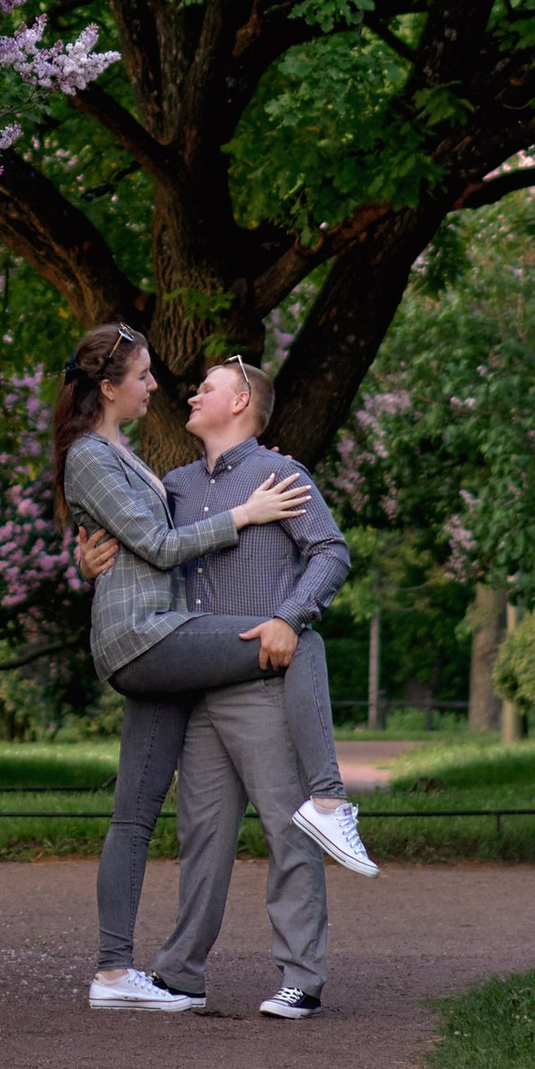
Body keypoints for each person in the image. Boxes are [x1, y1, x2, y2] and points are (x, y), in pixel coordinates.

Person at [56, 324, 372, 1015]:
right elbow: (144, 546)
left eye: (208, 387)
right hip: (191, 670)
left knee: (290, 831)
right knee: (200, 838)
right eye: (173, 383)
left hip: (259, 670)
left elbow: (331, 552)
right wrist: (88, 561)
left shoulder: (279, 473)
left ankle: (300, 976)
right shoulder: (170, 483)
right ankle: (178, 972)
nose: (186, 393)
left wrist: (291, 613)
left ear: (242, 404)